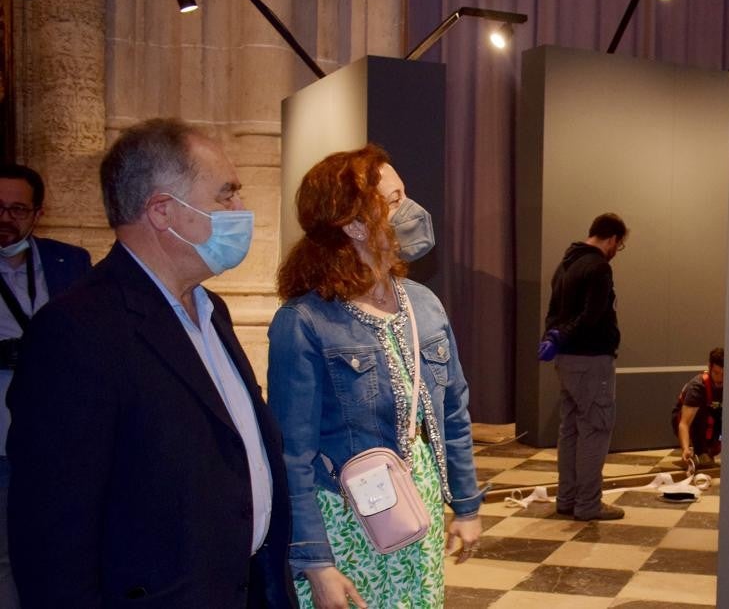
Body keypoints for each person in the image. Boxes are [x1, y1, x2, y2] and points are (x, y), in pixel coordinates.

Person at [5, 118, 296, 607]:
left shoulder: (211, 310)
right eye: (226, 196)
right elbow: (52, 534)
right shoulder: (79, 329)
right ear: (163, 210)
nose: (241, 210)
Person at [266, 145, 482, 608]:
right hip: (343, 520)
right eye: (396, 199)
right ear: (356, 224)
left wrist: (466, 505)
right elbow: (291, 455)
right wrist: (316, 562)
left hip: (413, 509)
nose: (412, 211)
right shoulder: (304, 321)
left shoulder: (424, 303)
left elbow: (453, 412)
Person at [0, 164, 91, 607]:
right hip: (0, 438)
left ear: (38, 213)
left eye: (17, 209)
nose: (6, 218)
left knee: (63, 553)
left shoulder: (70, 262)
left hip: (62, 438)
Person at [540, 212, 628, 521]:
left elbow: (553, 313)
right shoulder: (598, 267)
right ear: (612, 239)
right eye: (620, 245)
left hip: (565, 361)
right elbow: (592, 316)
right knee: (596, 427)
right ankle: (589, 504)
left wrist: (555, 339)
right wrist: (565, 334)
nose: (618, 251)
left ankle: (567, 498)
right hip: (592, 361)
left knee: (571, 430)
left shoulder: (566, 264)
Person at [671, 347, 724, 467]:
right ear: (709, 367)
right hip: (688, 419)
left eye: (723, 374)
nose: (720, 379)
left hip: (713, 415)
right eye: (716, 373)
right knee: (703, 456)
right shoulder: (698, 387)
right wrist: (685, 449)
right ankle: (701, 450)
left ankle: (709, 448)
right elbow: (684, 423)